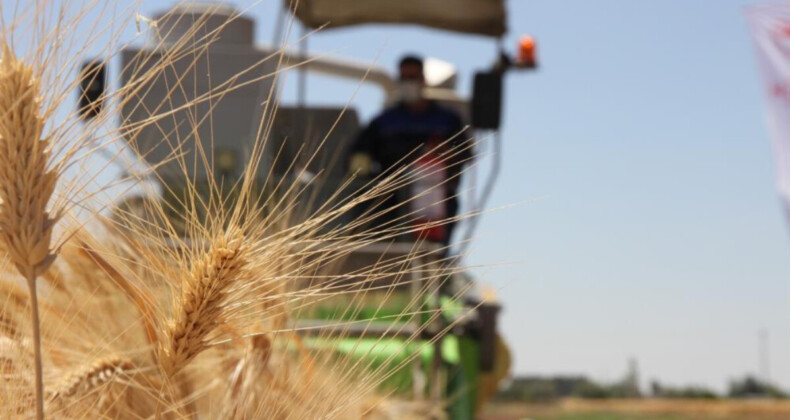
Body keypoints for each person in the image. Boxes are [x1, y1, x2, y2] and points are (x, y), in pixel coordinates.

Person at [349, 55, 472, 245]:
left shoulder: (447, 120)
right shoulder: (384, 121)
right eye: (403, 79)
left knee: (430, 255)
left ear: (423, 80)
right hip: (390, 200)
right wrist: (363, 175)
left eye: (412, 78)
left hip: (434, 199)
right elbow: (359, 154)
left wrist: (444, 153)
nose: (408, 84)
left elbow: (465, 153)